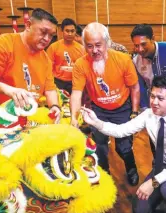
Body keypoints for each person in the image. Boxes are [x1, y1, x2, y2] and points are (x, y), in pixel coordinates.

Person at [81, 75, 166, 213]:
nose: (154, 102)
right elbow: (122, 130)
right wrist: (97, 123)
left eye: (160, 98)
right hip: (162, 165)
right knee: (139, 208)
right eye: (152, 96)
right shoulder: (149, 115)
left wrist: (154, 182)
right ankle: (164, 196)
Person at [70, 22, 140, 186]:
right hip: (98, 111)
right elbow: (76, 92)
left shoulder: (123, 59)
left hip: (123, 108)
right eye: (89, 46)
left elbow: (135, 87)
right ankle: (105, 175)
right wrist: (74, 117)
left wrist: (134, 112)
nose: (94, 50)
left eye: (98, 45)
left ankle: (131, 169)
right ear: (84, 45)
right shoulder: (80, 64)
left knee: (123, 147)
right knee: (100, 147)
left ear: (107, 43)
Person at [0, 8, 61, 129]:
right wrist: (9, 90)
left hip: (26, 116)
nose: (47, 39)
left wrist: (54, 106)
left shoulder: (45, 59)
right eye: (43, 32)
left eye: (51, 36)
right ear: (28, 25)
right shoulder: (3, 43)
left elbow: (50, 88)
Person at [47, 18, 85, 94]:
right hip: (58, 82)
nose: (70, 34)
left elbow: (84, 68)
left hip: (75, 82)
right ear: (62, 31)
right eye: (67, 31)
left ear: (75, 32)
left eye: (72, 31)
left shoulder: (81, 48)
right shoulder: (53, 47)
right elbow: (48, 68)